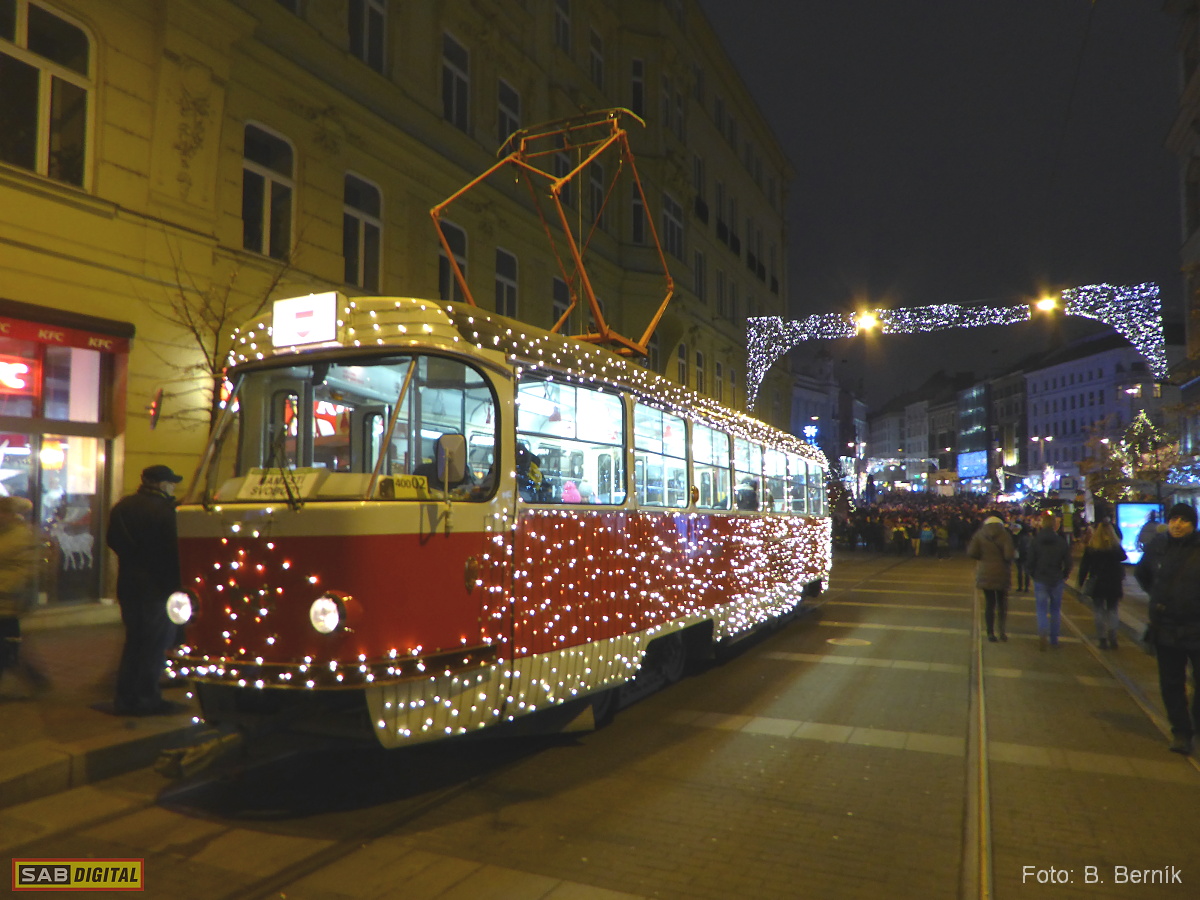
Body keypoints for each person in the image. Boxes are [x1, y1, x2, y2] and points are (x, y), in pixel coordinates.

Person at [106, 465, 184, 716]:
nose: (173, 487)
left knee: (134, 641)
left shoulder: (123, 507)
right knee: (155, 644)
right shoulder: (166, 511)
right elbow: (173, 550)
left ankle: (126, 696)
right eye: (171, 483)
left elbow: (112, 540)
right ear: (161, 484)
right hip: (158, 587)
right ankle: (147, 698)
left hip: (129, 584)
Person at [1135, 502, 1200, 755]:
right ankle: (1181, 731)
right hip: (1166, 627)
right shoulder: (1158, 546)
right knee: (1171, 684)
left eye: (1183, 520)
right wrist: (1158, 595)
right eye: (1174, 519)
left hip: (1196, 626)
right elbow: (1142, 573)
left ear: (1193, 524)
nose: (1177, 524)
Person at [0, 496, 50, 697]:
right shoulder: (6, 533)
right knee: (10, 644)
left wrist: (6, 586)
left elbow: (26, 569)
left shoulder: (22, 536)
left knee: (8, 644)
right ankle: (33, 677)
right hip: (5, 599)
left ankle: (32, 678)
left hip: (9, 599)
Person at [1077, 521, 1127, 649]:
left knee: (1098, 610)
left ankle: (1102, 638)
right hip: (1114, 582)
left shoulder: (1091, 548)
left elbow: (1084, 567)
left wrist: (1080, 583)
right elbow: (1123, 557)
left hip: (1098, 581)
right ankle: (1113, 637)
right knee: (1113, 610)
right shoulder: (1115, 547)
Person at [1026, 511, 1072, 650]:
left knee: (1041, 609)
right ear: (1054, 526)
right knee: (1055, 610)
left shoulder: (1035, 541)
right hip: (1056, 578)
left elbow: (1030, 560)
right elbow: (1068, 562)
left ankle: (1042, 632)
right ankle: (1054, 639)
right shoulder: (1061, 542)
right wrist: (1064, 574)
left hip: (1040, 578)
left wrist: (1032, 574)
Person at [967, 514, 1015, 642]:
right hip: (1002, 573)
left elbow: (971, 552)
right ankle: (1002, 631)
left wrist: (983, 558)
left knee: (989, 603)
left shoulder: (979, 535)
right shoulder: (1005, 535)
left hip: (985, 573)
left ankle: (990, 632)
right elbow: (1009, 555)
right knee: (1002, 603)